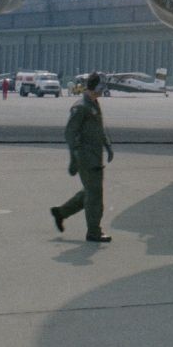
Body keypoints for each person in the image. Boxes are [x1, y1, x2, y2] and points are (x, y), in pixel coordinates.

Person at [51, 72, 114, 243]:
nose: (102, 91)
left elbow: (99, 128)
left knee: (90, 192)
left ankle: (61, 212)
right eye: (101, 88)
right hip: (86, 158)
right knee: (95, 195)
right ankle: (94, 231)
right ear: (94, 87)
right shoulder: (81, 107)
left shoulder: (94, 103)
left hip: (95, 156)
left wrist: (107, 145)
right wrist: (74, 157)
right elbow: (70, 133)